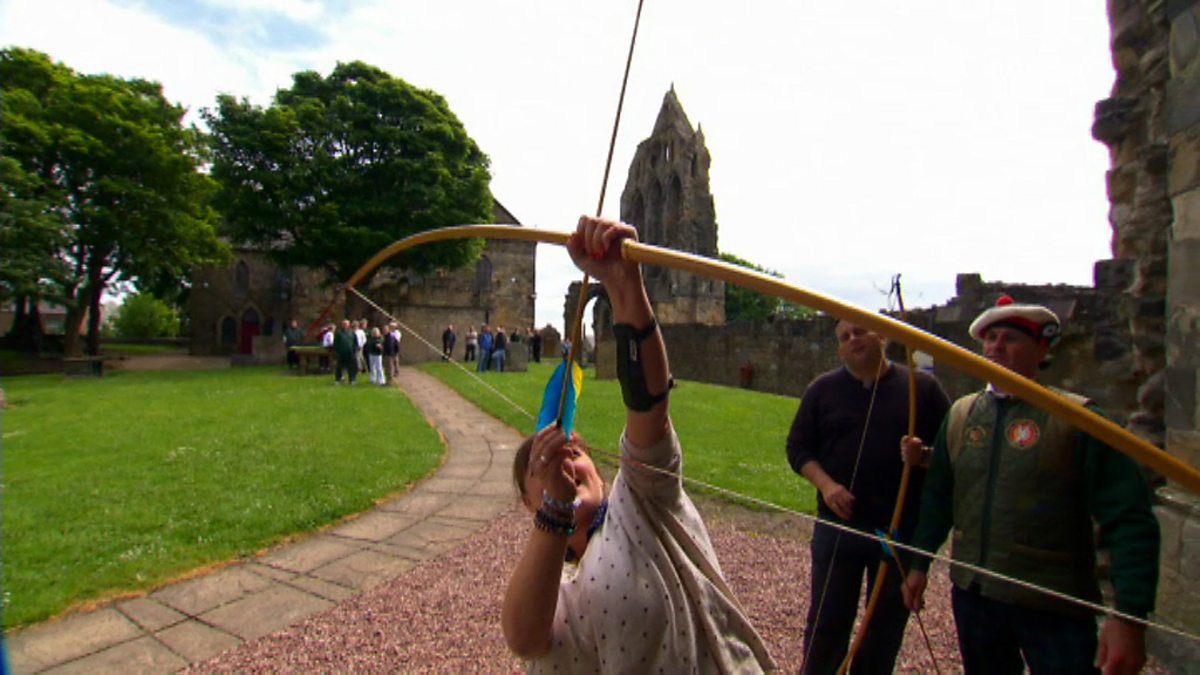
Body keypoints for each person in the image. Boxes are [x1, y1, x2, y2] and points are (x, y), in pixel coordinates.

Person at [502, 216, 774, 672]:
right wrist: (557, 506)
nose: (562, 463)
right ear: (529, 505)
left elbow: (649, 406)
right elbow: (524, 638)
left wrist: (624, 284)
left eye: (573, 453)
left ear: (600, 471)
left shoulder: (642, 500)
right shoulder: (556, 593)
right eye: (541, 465)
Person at [900, 296, 1161, 675]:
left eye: (1010, 339)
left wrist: (1129, 617)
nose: (996, 347)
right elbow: (939, 498)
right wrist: (919, 564)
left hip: (1054, 604)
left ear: (1041, 349)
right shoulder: (961, 414)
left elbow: (1129, 518)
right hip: (976, 596)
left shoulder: (1077, 418)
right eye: (990, 339)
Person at [786, 320, 950, 674]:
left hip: (898, 529)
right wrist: (827, 486)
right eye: (844, 337)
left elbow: (952, 457)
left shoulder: (921, 389)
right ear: (838, 350)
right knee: (827, 622)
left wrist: (923, 456)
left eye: (860, 331)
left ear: (882, 335)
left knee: (883, 628)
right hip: (838, 526)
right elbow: (798, 449)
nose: (853, 340)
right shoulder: (822, 390)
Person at [333, 319, 358, 385]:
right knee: (340, 367)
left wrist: (354, 350)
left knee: (352, 367)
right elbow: (335, 343)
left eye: (346, 324)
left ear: (349, 325)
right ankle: (338, 379)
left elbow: (355, 343)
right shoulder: (339, 333)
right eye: (344, 324)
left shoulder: (352, 333)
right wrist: (337, 351)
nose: (345, 325)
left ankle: (352, 380)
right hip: (342, 353)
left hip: (350, 353)